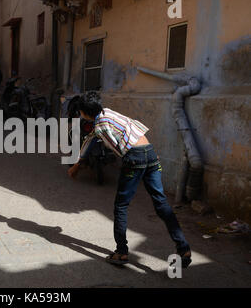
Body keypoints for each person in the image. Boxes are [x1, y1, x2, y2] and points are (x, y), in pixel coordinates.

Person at [68, 92, 192, 268]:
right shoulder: (107, 113)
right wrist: (78, 162)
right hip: (150, 152)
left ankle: (121, 252)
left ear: (85, 113)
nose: (80, 115)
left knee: (121, 206)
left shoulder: (100, 125)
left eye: (80, 112)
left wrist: (77, 165)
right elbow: (91, 138)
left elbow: (116, 146)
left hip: (134, 157)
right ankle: (183, 248)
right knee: (161, 203)